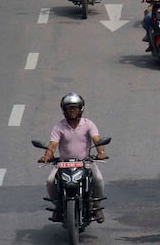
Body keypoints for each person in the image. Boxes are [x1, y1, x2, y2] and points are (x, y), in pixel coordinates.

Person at [37, 93, 108, 224]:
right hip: (64, 163)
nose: (72, 111)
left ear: (81, 108)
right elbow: (53, 144)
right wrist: (46, 156)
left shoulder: (88, 124)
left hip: (85, 162)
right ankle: (58, 207)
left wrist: (101, 152)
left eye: (75, 108)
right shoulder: (59, 127)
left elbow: (96, 140)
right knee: (50, 181)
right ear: (64, 110)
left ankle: (96, 206)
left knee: (98, 179)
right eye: (69, 108)